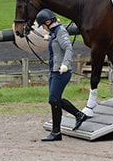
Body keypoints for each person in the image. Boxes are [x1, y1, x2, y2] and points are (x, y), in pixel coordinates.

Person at [36, 8, 87, 142]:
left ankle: (61, 127)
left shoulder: (61, 31)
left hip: (61, 72)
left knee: (54, 99)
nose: (43, 28)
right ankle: (61, 129)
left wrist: (65, 64)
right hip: (54, 71)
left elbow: (68, 48)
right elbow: (57, 46)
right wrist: (50, 37)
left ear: (47, 22)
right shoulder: (55, 32)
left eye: (42, 25)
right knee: (55, 100)